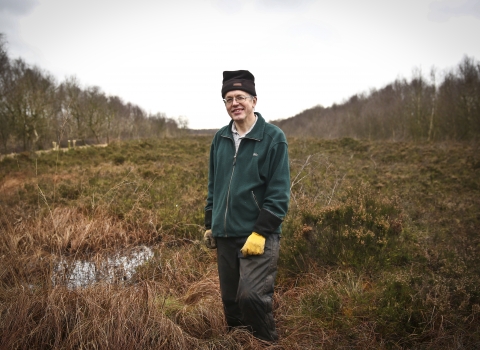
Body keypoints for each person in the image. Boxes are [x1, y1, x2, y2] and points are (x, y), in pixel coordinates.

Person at [203, 70, 290, 342]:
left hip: (257, 234)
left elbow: (278, 193)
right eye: (228, 99)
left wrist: (261, 232)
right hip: (225, 234)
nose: (234, 103)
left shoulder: (273, 138)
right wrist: (210, 224)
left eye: (240, 97)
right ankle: (240, 343)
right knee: (231, 302)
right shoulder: (220, 138)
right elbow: (213, 185)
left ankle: (267, 344)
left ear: (254, 100)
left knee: (251, 296)